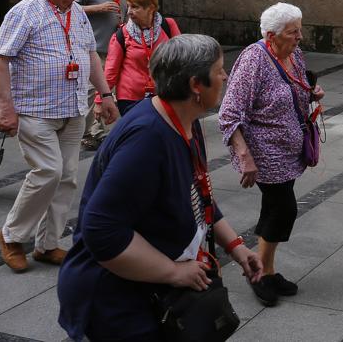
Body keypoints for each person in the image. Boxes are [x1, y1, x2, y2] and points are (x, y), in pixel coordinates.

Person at [58, 34, 263, 342]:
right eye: (219, 69)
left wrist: (236, 247)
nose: (225, 76)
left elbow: (198, 191)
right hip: (116, 299)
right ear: (196, 85)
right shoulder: (148, 137)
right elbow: (101, 229)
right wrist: (173, 271)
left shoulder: (185, 119)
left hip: (145, 288)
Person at [0, 0, 120, 273]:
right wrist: (6, 107)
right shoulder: (25, 12)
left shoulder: (77, 13)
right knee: (47, 172)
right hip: (36, 110)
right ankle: (11, 236)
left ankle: (47, 244)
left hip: (74, 108)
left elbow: (90, 55)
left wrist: (105, 95)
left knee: (66, 178)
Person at [218, 2, 324, 307]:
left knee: (276, 207)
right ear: (270, 35)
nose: (299, 37)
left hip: (289, 150)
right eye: (293, 32)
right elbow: (229, 113)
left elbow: (299, 84)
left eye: (299, 30)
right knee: (283, 208)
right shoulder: (253, 61)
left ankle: (268, 268)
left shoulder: (293, 53)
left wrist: (312, 92)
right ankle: (259, 273)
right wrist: (245, 157)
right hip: (264, 152)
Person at [78, 0, 135, 150]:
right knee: (90, 90)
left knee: (106, 92)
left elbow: (127, 13)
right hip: (93, 47)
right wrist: (98, 8)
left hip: (115, 47)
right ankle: (85, 133)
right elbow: (69, 9)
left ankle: (98, 132)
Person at [104, 0, 181, 117]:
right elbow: (111, 70)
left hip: (164, 94)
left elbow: (183, 57)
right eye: (128, 7)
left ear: (150, 8)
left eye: (135, 7)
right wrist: (101, 98)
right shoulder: (122, 34)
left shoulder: (168, 25)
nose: (129, 12)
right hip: (130, 97)